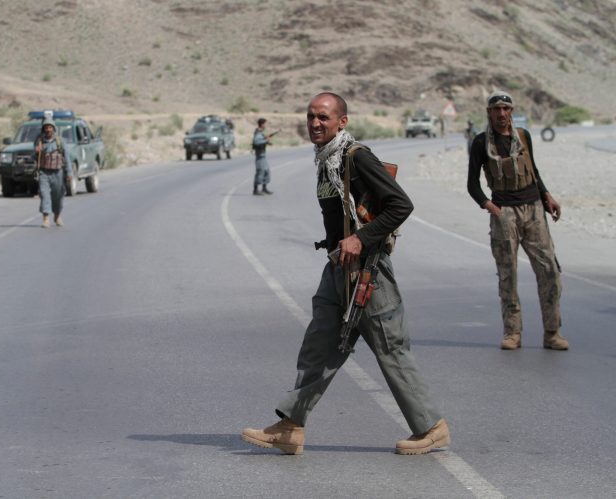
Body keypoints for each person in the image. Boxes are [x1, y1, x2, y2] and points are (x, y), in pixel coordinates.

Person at [241, 92, 450, 456]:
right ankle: (291, 426)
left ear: (342, 122)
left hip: (369, 271)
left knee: (390, 348)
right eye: (310, 117)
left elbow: (401, 205)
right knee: (320, 343)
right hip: (340, 267)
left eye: (323, 117)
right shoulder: (326, 159)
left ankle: (432, 428)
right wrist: (337, 242)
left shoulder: (356, 157)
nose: (315, 123)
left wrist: (360, 238)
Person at [467, 90, 567, 351]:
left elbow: (533, 171)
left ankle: (552, 332)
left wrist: (547, 197)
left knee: (549, 270)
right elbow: (472, 184)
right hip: (505, 214)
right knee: (508, 275)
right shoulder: (480, 143)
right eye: (497, 109)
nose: (502, 114)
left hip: (533, 209)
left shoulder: (523, 137)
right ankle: (512, 332)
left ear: (512, 111)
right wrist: (490, 207)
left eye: (506, 108)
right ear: (489, 112)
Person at [35, 116, 72, 228]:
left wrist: (69, 173)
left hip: (58, 173)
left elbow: (67, 157)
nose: (48, 129)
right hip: (44, 173)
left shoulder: (60, 141)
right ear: (43, 129)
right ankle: (46, 219)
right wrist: (36, 152)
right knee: (44, 194)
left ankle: (57, 216)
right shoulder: (39, 142)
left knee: (58, 196)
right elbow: (34, 157)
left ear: (53, 128)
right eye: (46, 127)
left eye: (50, 127)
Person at [252, 118, 273, 195]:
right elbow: (256, 142)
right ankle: (255, 190)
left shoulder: (261, 133)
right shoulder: (258, 133)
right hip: (259, 156)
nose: (266, 125)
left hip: (263, 156)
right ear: (262, 124)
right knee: (260, 172)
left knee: (266, 171)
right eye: (265, 123)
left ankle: (264, 188)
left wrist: (267, 142)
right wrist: (266, 141)